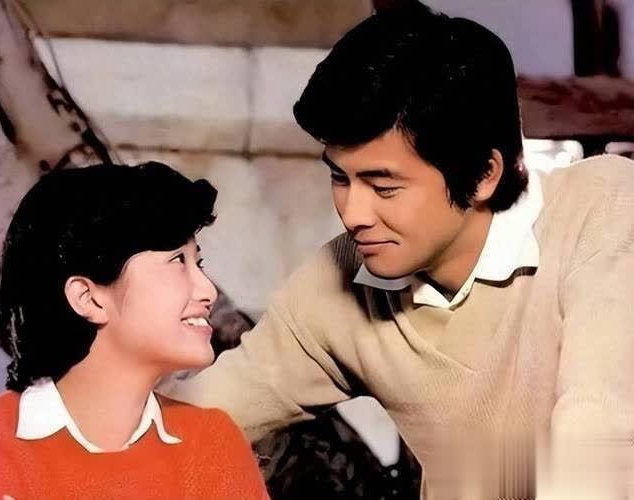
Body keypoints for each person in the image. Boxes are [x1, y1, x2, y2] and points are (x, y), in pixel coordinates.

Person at [163, 4, 634, 499]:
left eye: (383, 186)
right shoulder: (339, 281)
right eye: (340, 177)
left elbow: (601, 444)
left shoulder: (602, 209)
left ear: (483, 174)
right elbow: (186, 423)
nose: (353, 213)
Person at [0, 163, 268, 499]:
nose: (207, 290)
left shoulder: (212, 444)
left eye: (198, 262)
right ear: (88, 298)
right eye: (177, 261)